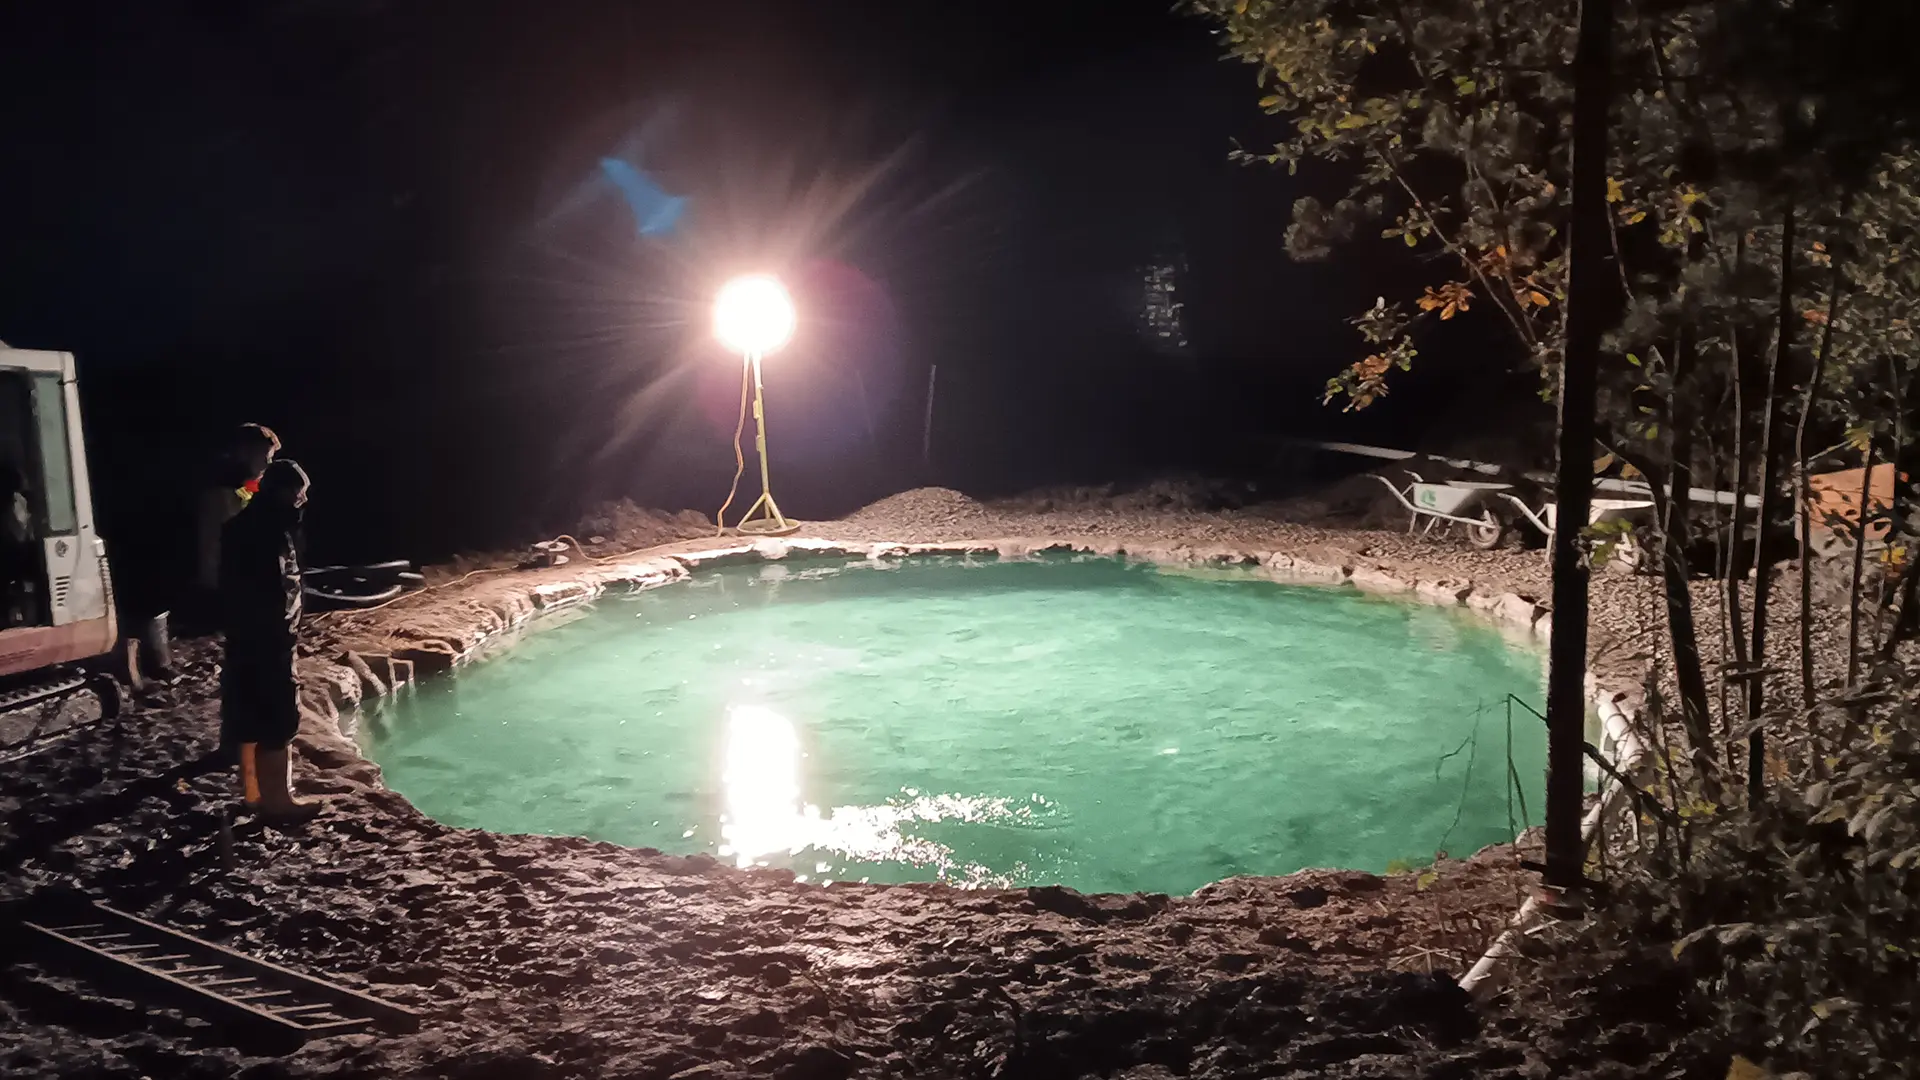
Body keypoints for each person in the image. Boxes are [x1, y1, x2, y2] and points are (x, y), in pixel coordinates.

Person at [219, 458, 320, 821]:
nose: (303, 502)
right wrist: (283, 637)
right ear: (288, 493)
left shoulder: (238, 527)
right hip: (269, 640)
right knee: (278, 719)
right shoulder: (272, 533)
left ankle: (253, 796)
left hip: (242, 639)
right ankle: (280, 802)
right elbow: (277, 590)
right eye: (301, 494)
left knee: (247, 718)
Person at [194, 423, 280, 629]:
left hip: (233, 578)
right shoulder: (222, 490)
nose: (268, 463)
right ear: (244, 453)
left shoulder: (238, 484)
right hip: (226, 581)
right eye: (264, 457)